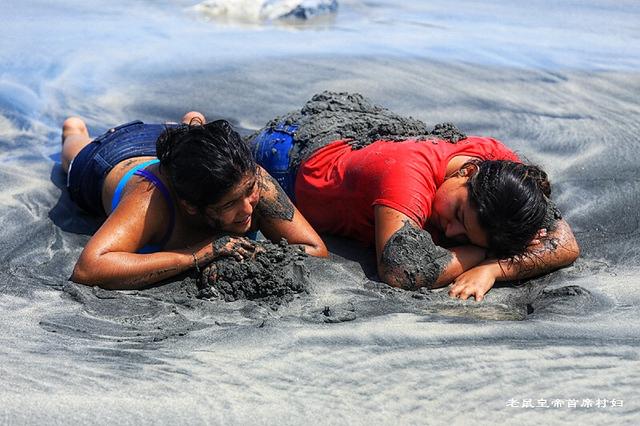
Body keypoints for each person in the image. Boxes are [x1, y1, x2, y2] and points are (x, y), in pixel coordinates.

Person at [249, 92, 579, 301]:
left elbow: (565, 243)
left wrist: (494, 269)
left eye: (464, 235)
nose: (450, 233)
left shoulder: (501, 168)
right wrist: (479, 251)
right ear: (468, 173)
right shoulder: (407, 177)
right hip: (286, 160)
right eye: (460, 216)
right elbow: (399, 272)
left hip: (359, 140)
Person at [61, 111, 327, 290]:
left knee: (197, 137)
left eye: (250, 191)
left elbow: (315, 250)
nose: (248, 207)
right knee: (73, 155)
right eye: (228, 205)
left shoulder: (247, 177)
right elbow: (88, 269)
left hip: (187, 147)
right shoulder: (150, 201)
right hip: (114, 155)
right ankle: (74, 130)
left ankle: (193, 124)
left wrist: (258, 254)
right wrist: (196, 255)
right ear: (189, 206)